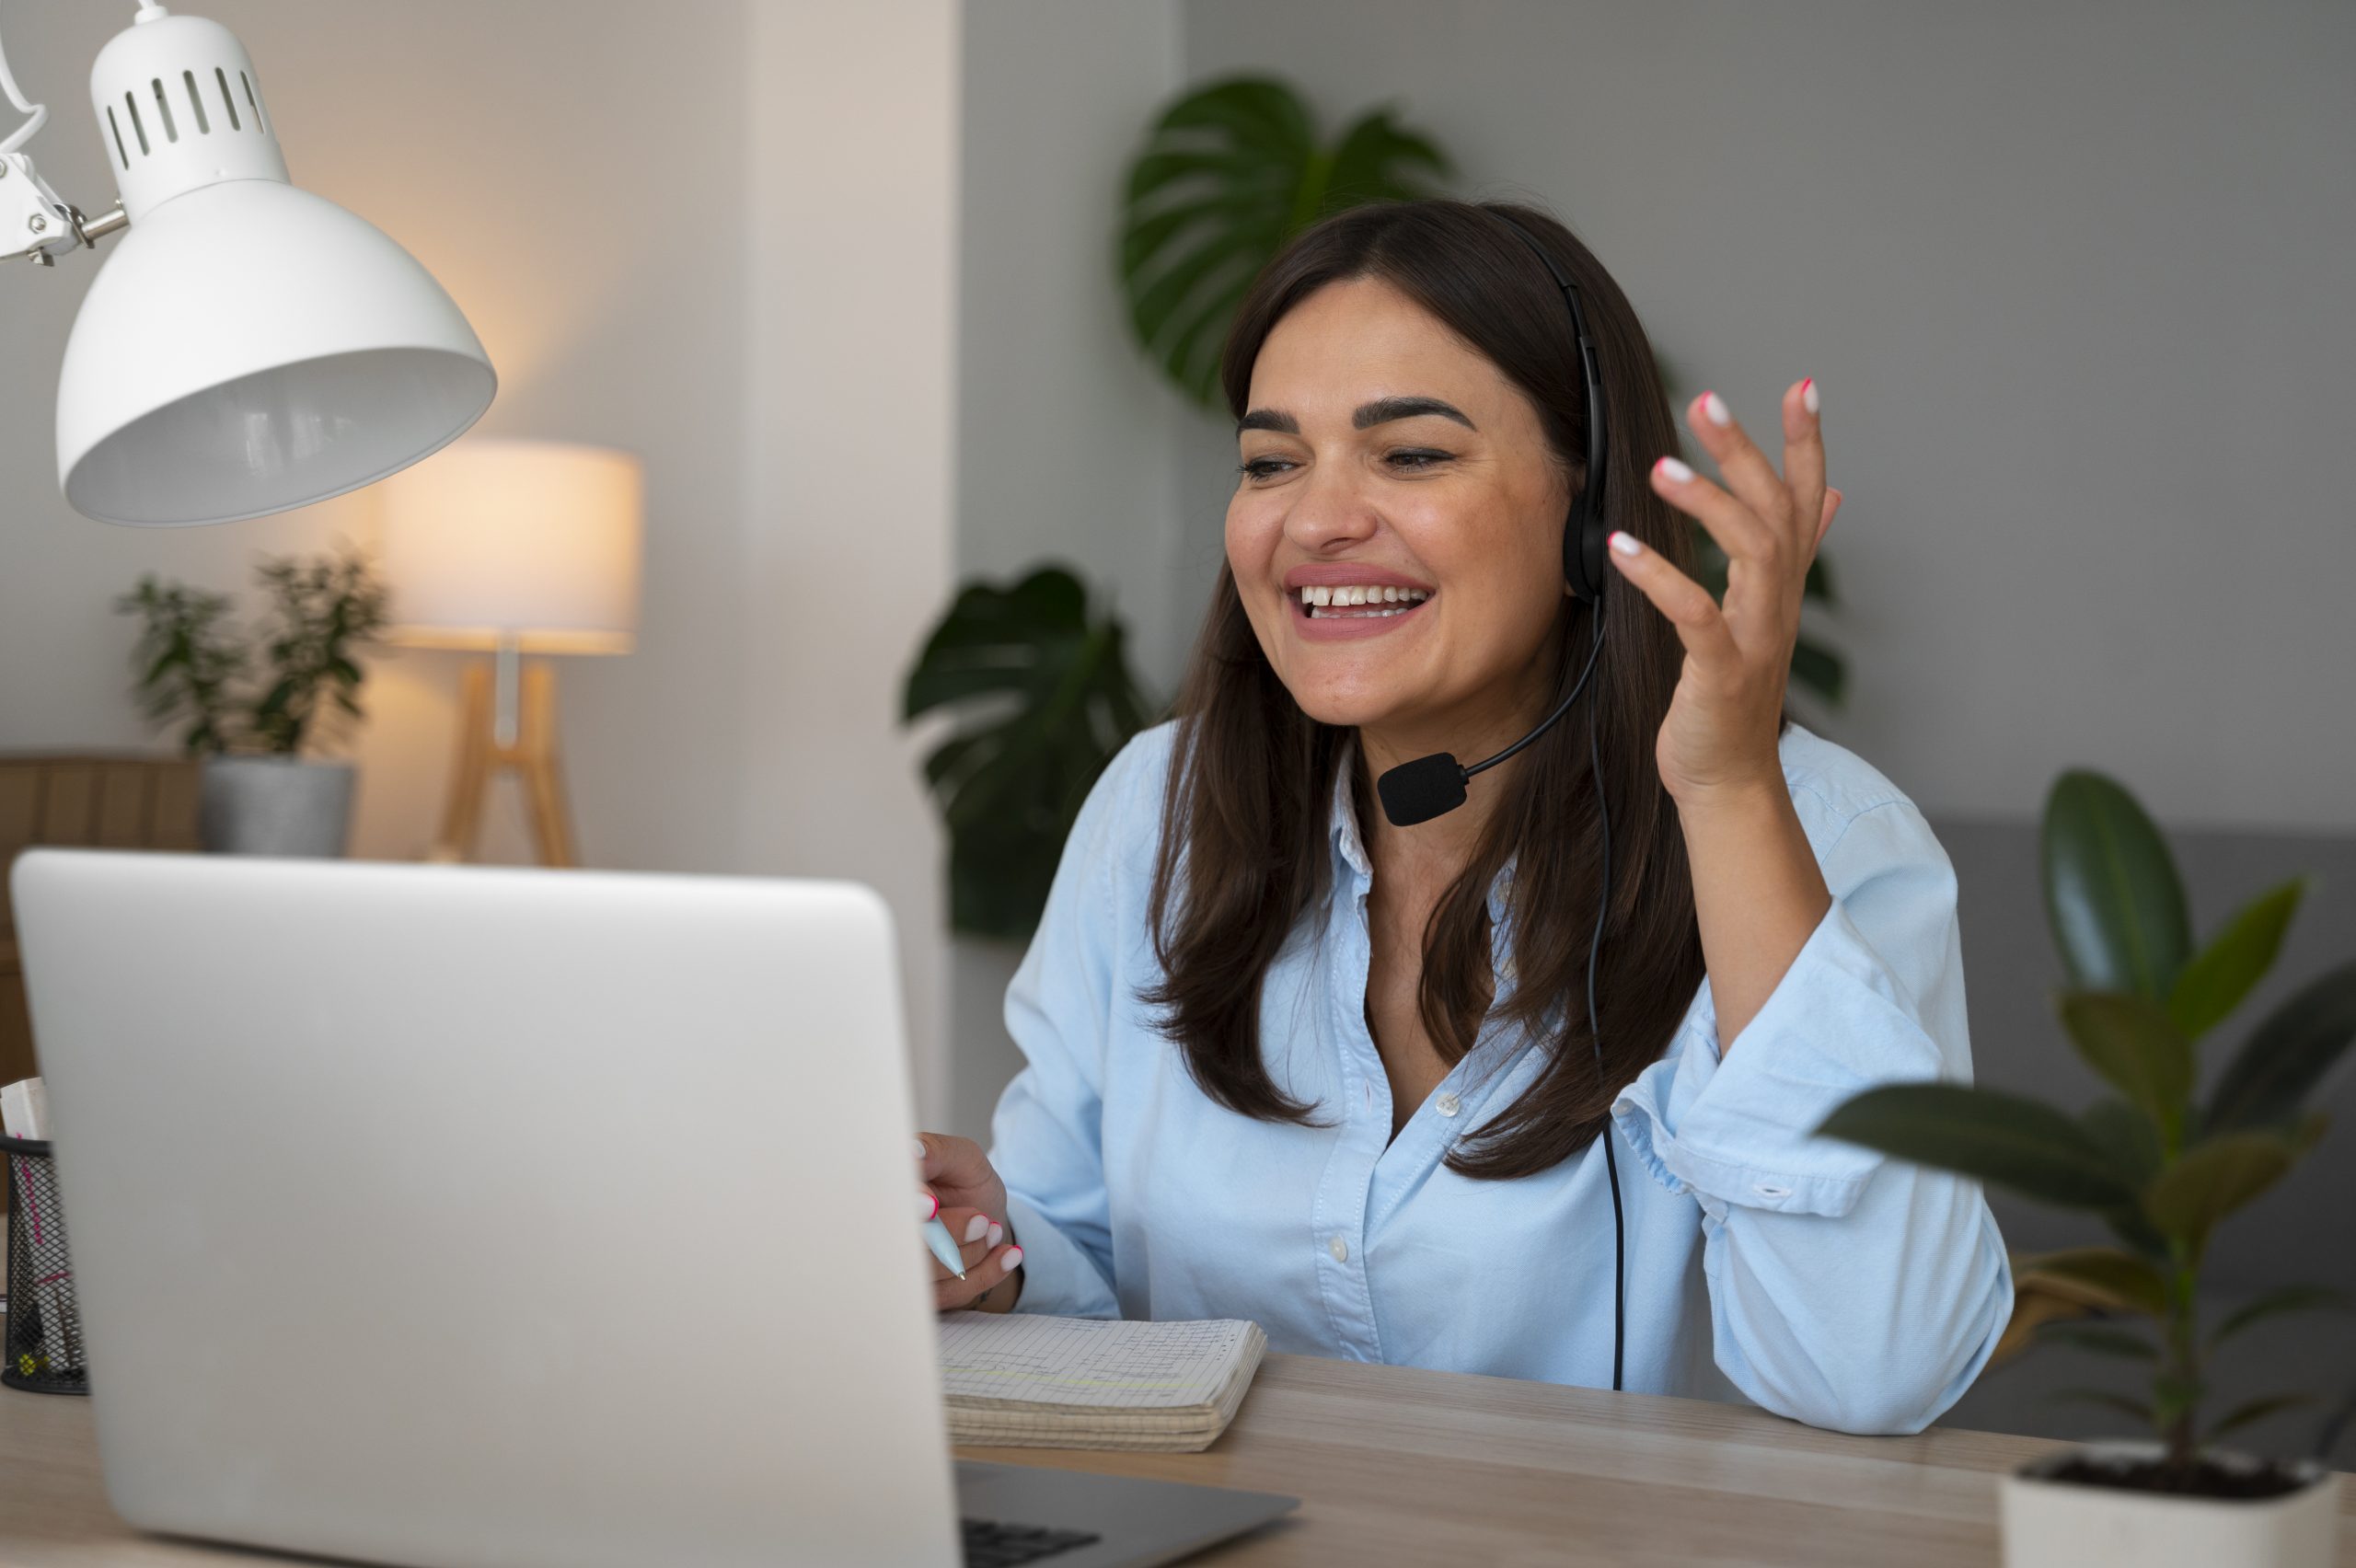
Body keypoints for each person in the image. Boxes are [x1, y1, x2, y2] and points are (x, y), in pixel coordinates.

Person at [914, 197, 2010, 1435]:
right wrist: (996, 1261)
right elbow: (1081, 1254)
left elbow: (1876, 1373)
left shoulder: (1826, 836)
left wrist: (1726, 794)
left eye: (1411, 454)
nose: (1316, 520)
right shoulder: (1158, 812)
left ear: (1588, 515)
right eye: (1272, 462)